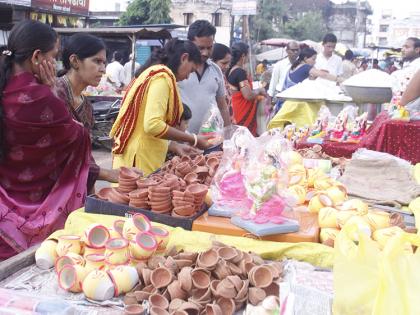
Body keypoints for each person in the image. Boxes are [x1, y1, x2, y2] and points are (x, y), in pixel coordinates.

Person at [0, 20, 92, 259]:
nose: (56, 63)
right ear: (37, 57)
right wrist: (52, 90)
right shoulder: (43, 98)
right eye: (54, 56)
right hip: (35, 213)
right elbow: (78, 134)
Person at [110, 39, 212, 175]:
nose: (188, 77)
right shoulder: (162, 78)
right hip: (139, 161)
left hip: (140, 156)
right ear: (184, 58)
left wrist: (174, 146)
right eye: (191, 70)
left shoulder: (152, 73)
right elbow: (152, 125)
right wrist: (193, 139)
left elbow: (144, 125)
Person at [56, 33, 120, 189]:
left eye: (104, 63)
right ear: (75, 61)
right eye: (97, 61)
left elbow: (84, 154)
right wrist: (106, 174)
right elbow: (56, 154)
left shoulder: (86, 106)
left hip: (73, 188)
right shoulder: (54, 95)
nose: (103, 70)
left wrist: (90, 193)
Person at [178, 20, 231, 134]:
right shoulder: (178, 69)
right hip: (180, 142)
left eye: (209, 47)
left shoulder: (216, 70)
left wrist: (228, 134)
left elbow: (222, 106)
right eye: (200, 48)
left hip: (210, 140)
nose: (205, 53)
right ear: (189, 43)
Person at [268, 48, 341, 130]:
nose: (315, 62)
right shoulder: (305, 67)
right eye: (313, 59)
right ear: (306, 58)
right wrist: (339, 79)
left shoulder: (293, 67)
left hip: (284, 103)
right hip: (292, 104)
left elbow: (306, 82)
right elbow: (324, 75)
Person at [227, 42, 266, 135]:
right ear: (243, 56)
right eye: (248, 54)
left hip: (234, 109)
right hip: (241, 111)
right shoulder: (240, 72)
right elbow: (248, 95)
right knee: (244, 139)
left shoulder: (230, 69)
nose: (249, 57)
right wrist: (259, 90)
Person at [266, 41, 300, 113]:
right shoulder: (279, 65)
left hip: (296, 98)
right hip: (281, 96)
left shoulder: (301, 65)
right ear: (287, 51)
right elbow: (273, 83)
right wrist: (270, 101)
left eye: (297, 50)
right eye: (293, 50)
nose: (295, 52)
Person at [211, 43, 234, 122]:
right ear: (212, 62)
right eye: (224, 63)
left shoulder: (222, 76)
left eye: (229, 63)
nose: (227, 66)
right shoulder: (212, 79)